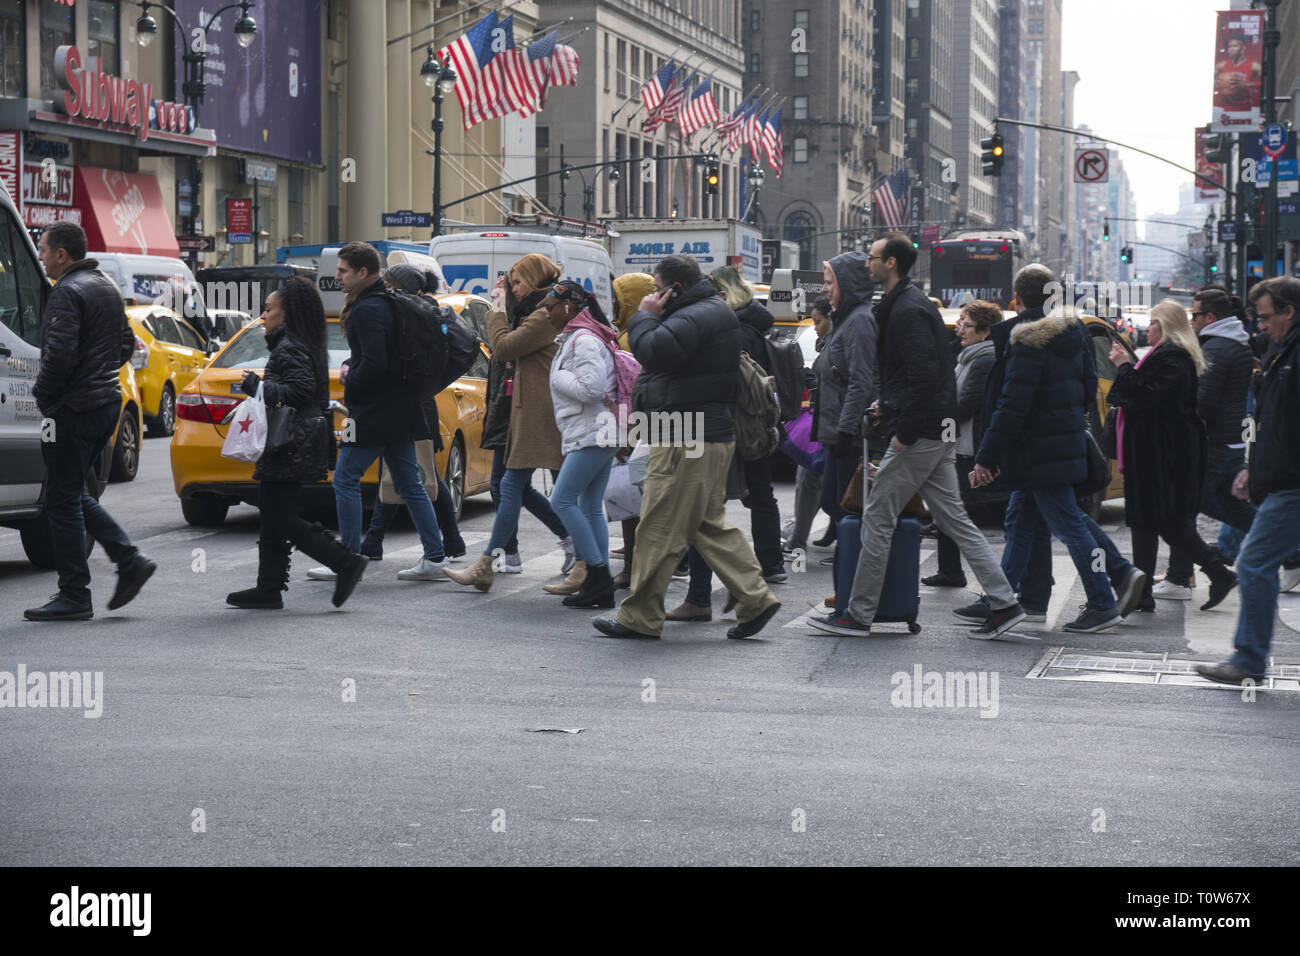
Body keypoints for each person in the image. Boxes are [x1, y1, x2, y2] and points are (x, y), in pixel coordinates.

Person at [811, 233, 1025, 638]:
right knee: (954, 519)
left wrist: (904, 428)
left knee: (876, 516)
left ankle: (857, 614)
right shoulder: (905, 305)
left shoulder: (907, 309)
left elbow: (925, 376)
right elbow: (917, 374)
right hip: (931, 427)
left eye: (872, 257)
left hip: (920, 431)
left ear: (890, 264)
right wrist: (888, 407)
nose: (867, 263)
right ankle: (1005, 601)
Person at [592, 254, 781, 641]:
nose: (654, 296)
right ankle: (755, 598)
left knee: (658, 527)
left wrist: (643, 315)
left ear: (673, 288)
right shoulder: (704, 311)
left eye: (657, 288)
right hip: (696, 434)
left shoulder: (696, 314)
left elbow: (655, 351)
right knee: (705, 525)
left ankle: (639, 617)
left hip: (684, 435)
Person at [970, 291, 1146, 633]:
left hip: (1038, 451)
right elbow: (1087, 390)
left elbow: (1012, 406)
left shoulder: (1028, 341)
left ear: (1018, 299)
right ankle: (1007, 601)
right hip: (1056, 445)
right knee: (1022, 519)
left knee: (1071, 526)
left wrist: (987, 457)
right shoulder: (1075, 334)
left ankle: (1102, 600)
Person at [25, 222, 155, 621]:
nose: (41, 256)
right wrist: (96, 375)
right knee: (71, 490)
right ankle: (128, 558)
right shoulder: (105, 287)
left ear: (62, 254)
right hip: (105, 405)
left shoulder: (66, 292)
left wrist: (44, 396)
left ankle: (75, 594)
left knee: (61, 499)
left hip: (74, 409)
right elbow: (123, 347)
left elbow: (59, 357)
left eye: (44, 249)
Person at [310, 241, 448, 582]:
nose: (337, 277)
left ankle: (348, 558)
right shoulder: (386, 302)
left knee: (345, 478)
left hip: (372, 411)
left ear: (363, 272)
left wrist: (349, 379)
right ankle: (434, 557)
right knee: (408, 482)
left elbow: (374, 362)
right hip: (400, 407)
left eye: (343, 271)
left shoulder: (368, 309)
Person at [226, 279, 367, 609]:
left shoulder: (290, 347)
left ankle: (344, 560)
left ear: (286, 313)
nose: (263, 316)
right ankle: (269, 588)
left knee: (281, 516)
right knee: (274, 512)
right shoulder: (295, 343)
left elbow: (300, 393)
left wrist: (256, 388)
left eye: (268, 309)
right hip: (293, 439)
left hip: (291, 440)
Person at [444, 254, 569, 591]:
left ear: (535, 279)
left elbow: (502, 348)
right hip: (517, 411)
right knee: (517, 486)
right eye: (510, 282)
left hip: (537, 414)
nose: (512, 288)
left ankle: (580, 554)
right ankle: (500, 558)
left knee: (562, 494)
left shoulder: (544, 314)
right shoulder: (531, 310)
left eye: (518, 281)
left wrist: (496, 310)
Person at [1198, 277, 1300, 684]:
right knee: (1256, 560)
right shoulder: (1282, 350)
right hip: (1280, 478)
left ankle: (1248, 661)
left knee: (1255, 563)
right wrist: (1251, 468)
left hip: (1292, 482)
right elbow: (1267, 421)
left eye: (1266, 317)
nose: (1260, 326)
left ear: (1289, 311)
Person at [1107, 301, 1237, 613]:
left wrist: (1125, 365)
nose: (1146, 329)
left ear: (1165, 327)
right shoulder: (1163, 356)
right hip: (1153, 452)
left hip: (1162, 456)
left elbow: (1144, 396)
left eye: (1152, 323)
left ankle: (1215, 572)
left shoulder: (1174, 358)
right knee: (1150, 522)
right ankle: (1149, 591)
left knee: (1161, 521)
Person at [357, 264, 467, 563]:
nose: (385, 287)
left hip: (410, 402)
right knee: (410, 473)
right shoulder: (421, 311)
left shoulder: (410, 314)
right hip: (418, 401)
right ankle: (447, 542)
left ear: (399, 286)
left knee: (412, 474)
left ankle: (376, 542)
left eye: (389, 282)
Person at [537, 280, 620, 608]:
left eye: (550, 307)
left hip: (593, 431)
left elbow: (590, 388)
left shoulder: (583, 340)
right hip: (598, 430)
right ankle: (600, 585)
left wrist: (557, 378)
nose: (546, 313)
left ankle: (597, 576)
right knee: (588, 505)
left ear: (569, 306)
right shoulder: (579, 337)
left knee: (562, 500)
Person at [924, 300, 1001, 589]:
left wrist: (938, 420)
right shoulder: (968, 356)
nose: (960, 330)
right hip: (956, 442)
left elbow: (967, 403)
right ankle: (950, 570)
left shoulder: (983, 359)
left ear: (984, 331)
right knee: (950, 508)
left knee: (956, 510)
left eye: (966, 325)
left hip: (969, 445)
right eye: (960, 324)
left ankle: (957, 572)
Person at [812, 252, 877, 546]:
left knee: (846, 510)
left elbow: (860, 381)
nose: (825, 289)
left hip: (847, 436)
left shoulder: (860, 321)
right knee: (833, 504)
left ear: (848, 285)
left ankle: (854, 584)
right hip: (836, 431)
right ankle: (849, 583)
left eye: (830, 283)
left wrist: (845, 429)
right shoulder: (845, 318)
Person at [609, 272, 656, 590]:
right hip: (654, 427)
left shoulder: (630, 339)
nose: (612, 304)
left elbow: (628, 392)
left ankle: (631, 569)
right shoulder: (636, 333)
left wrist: (626, 437)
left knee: (631, 502)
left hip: (639, 430)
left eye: (619, 298)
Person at [782, 296, 831, 554]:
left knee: (812, 480)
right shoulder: (827, 344)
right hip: (828, 424)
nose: (815, 326)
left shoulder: (838, 344)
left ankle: (799, 539)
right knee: (811, 478)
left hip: (833, 426)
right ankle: (801, 536)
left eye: (819, 321)